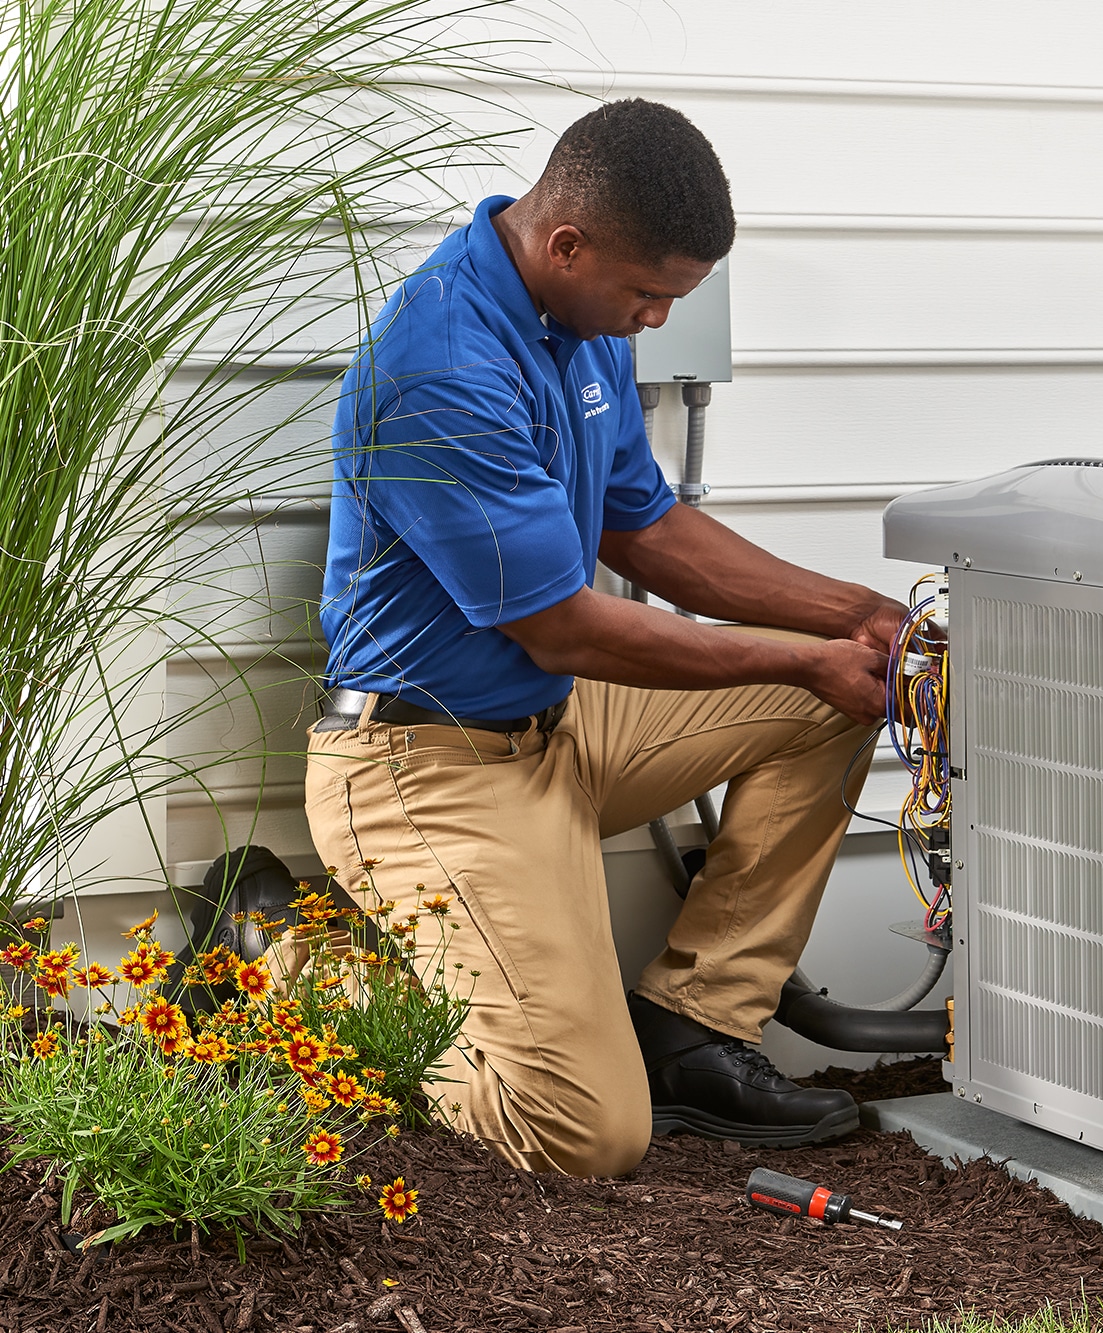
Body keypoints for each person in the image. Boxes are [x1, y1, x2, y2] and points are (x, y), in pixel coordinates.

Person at [306, 99, 907, 1177]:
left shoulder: (578, 328)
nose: (657, 322)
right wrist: (793, 648)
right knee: (582, 1134)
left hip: (553, 729)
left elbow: (649, 527)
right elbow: (560, 626)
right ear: (566, 243)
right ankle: (292, 972)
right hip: (425, 765)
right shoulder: (443, 363)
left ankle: (695, 1028)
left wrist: (850, 616)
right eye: (646, 293)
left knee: (830, 695)